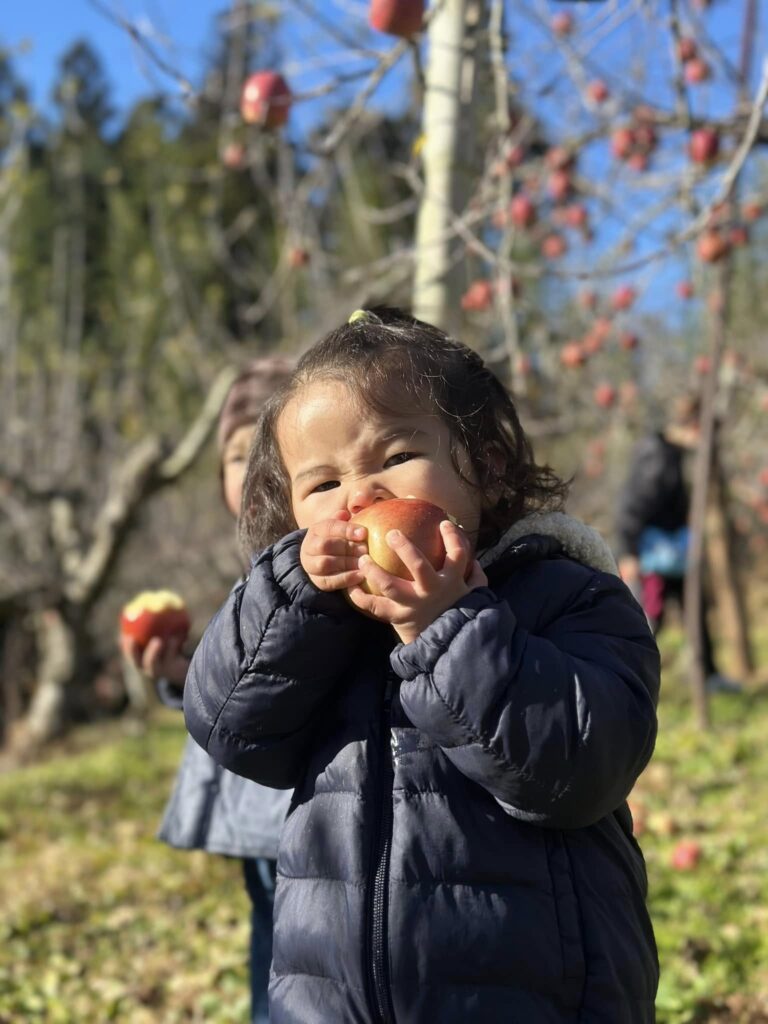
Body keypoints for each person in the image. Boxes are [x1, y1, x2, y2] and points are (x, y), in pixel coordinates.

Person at [183, 307, 661, 1023]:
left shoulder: (566, 592)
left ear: (486, 464)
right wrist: (291, 593)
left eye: (396, 456)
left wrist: (446, 628)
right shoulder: (318, 629)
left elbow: (580, 768)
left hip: (535, 993)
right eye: (320, 486)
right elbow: (230, 725)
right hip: (331, 999)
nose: (359, 496)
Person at [121, 358, 294, 1024]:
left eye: (266, 450)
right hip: (255, 821)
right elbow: (238, 680)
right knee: (270, 940)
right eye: (233, 455)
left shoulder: (314, 569)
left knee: (299, 948)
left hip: (294, 815)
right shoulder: (248, 575)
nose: (248, 469)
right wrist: (177, 674)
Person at [615, 393, 740, 693]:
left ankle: (707, 675)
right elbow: (632, 507)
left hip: (672, 553)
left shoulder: (671, 454)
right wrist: (629, 553)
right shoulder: (658, 457)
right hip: (654, 557)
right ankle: (625, 682)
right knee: (648, 621)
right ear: (695, 427)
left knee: (693, 612)